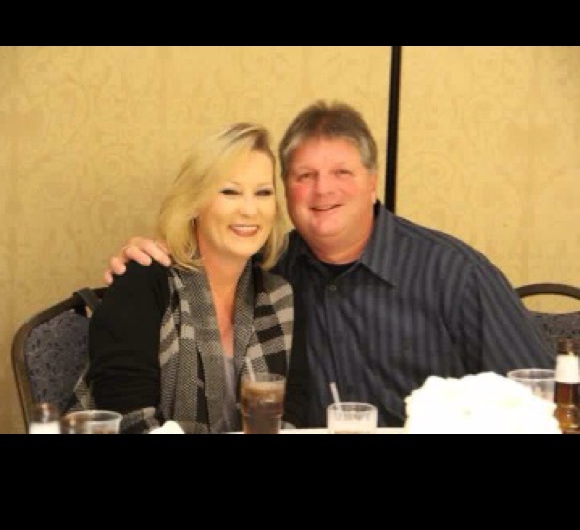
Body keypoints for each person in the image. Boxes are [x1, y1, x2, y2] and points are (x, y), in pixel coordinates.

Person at [104, 100, 554, 429]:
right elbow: (198, 260)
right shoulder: (273, 273)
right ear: (288, 191)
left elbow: (541, 400)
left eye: (341, 172)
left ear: (372, 182)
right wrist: (140, 262)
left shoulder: (454, 274)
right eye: (305, 176)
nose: (323, 191)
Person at [72, 123, 294, 433]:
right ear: (194, 204)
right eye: (230, 191)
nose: (249, 209)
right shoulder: (142, 282)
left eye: (263, 193)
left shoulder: (276, 296)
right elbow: (129, 420)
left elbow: (290, 416)